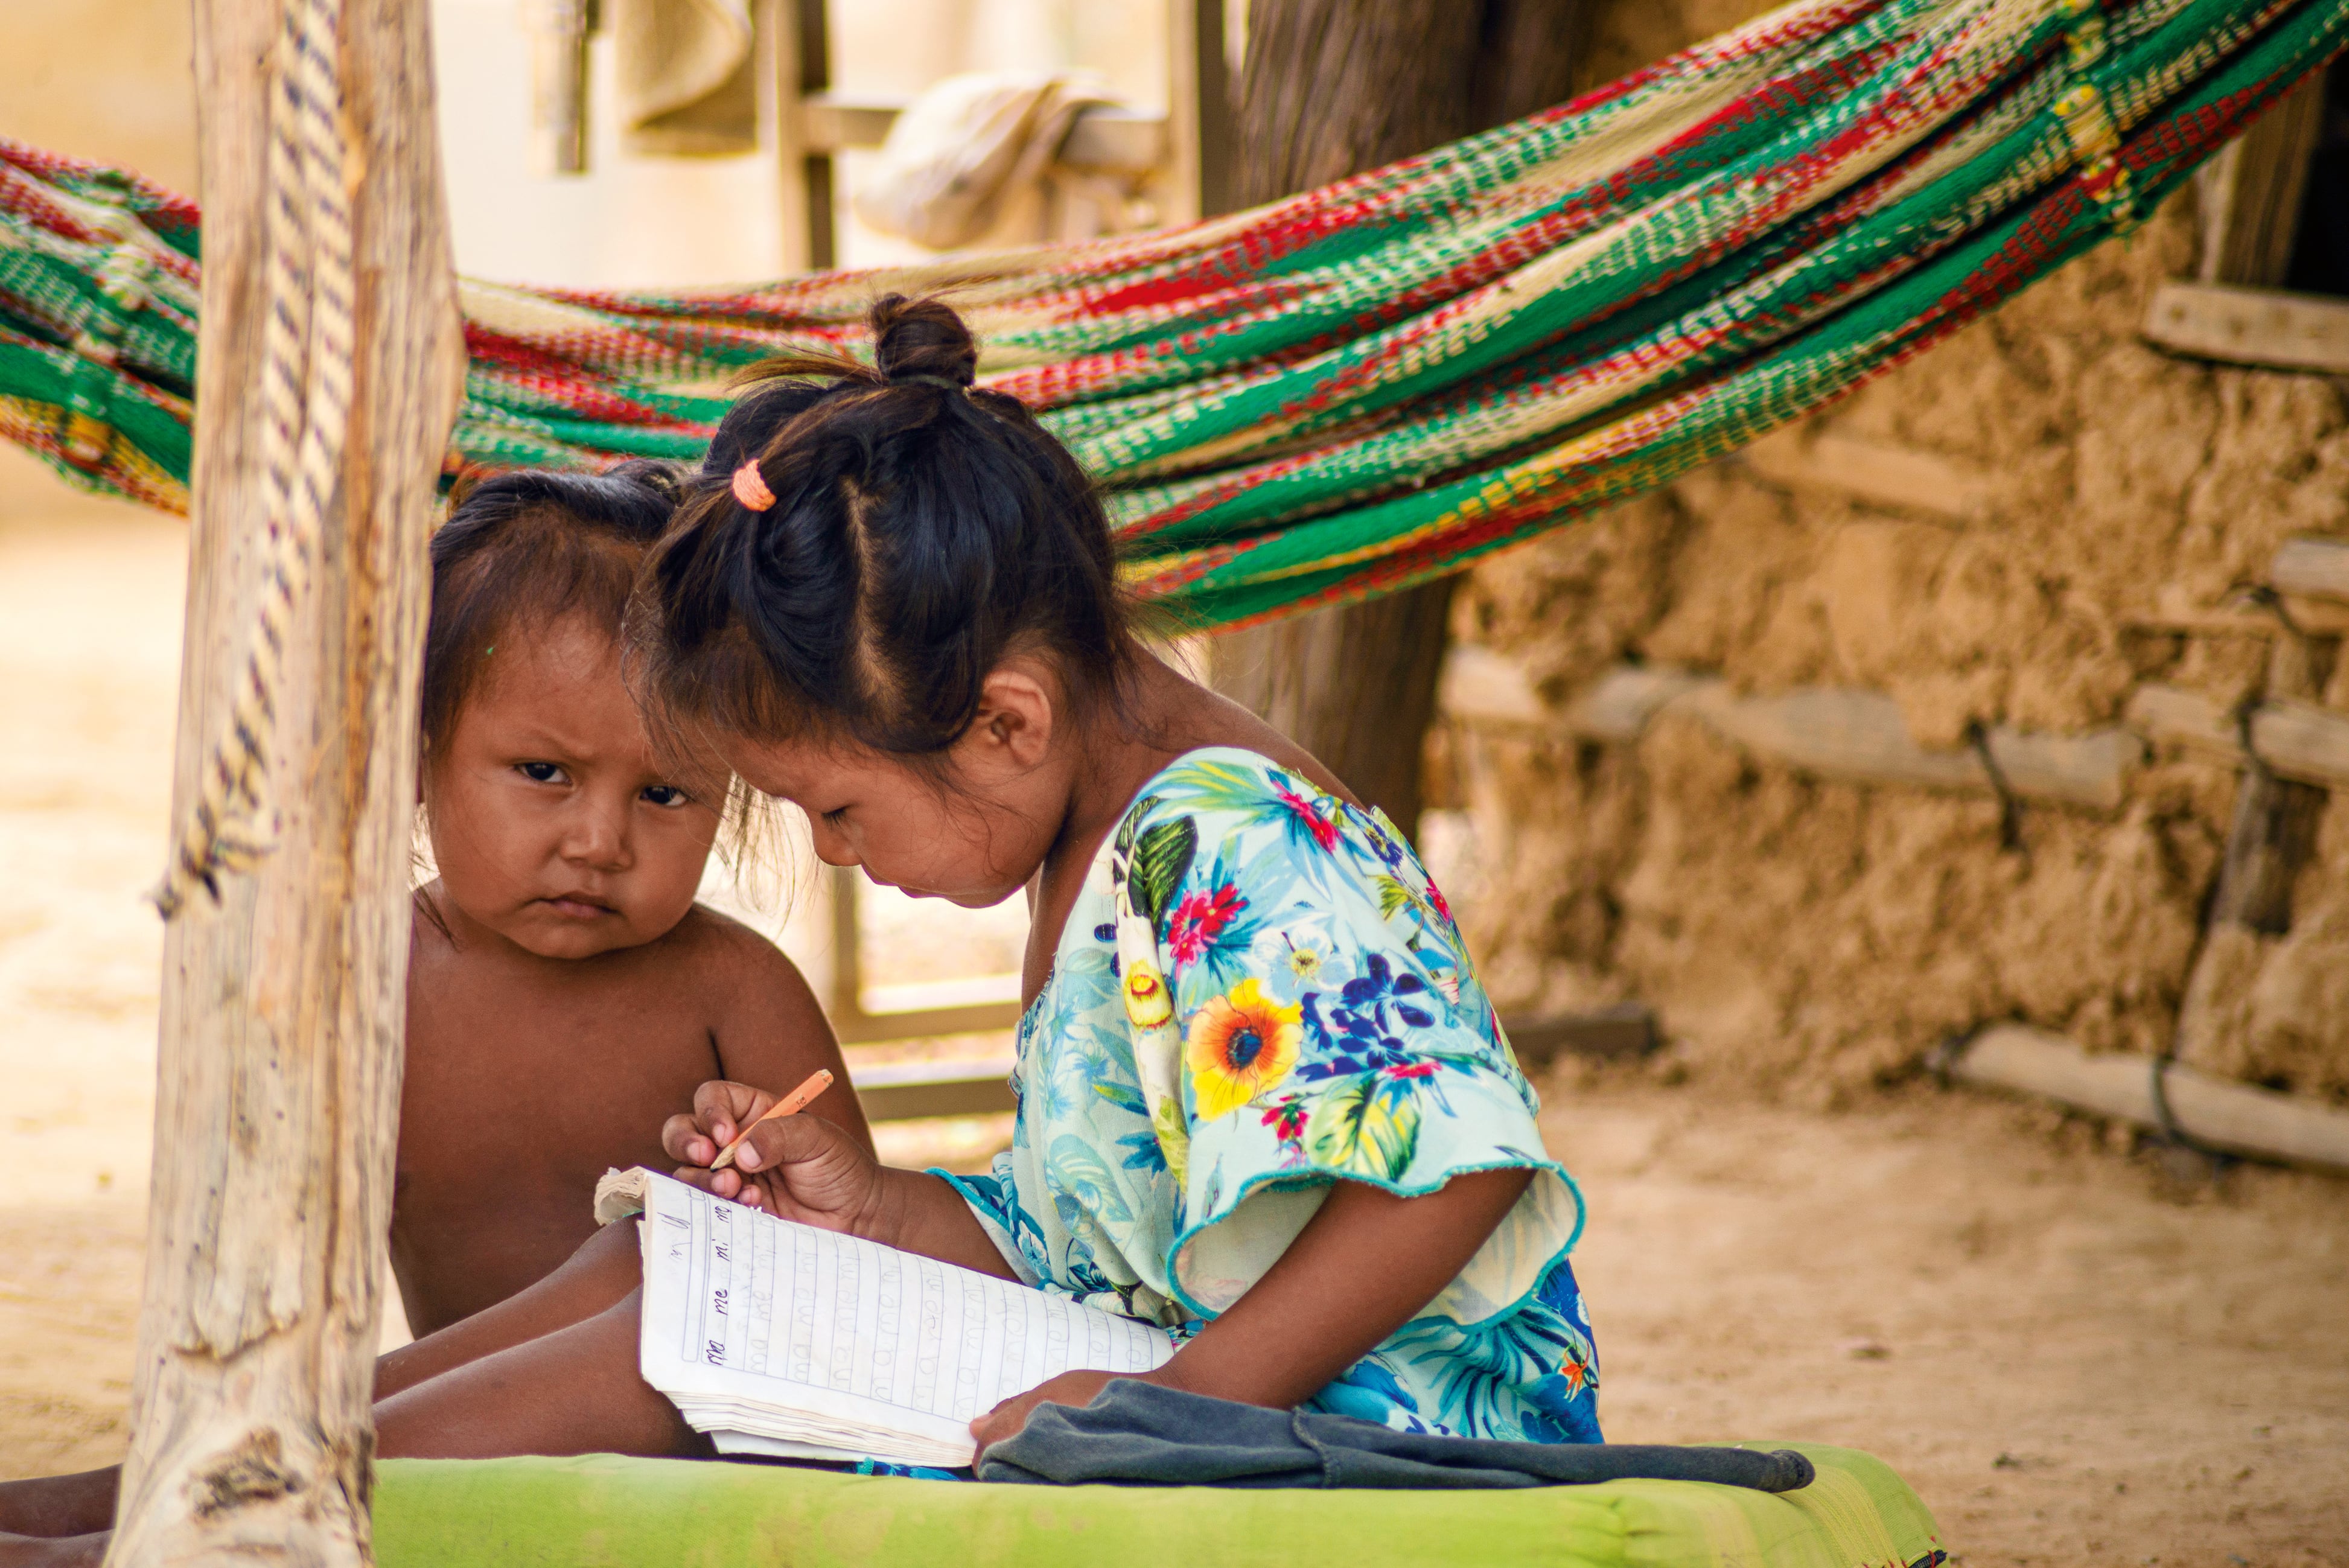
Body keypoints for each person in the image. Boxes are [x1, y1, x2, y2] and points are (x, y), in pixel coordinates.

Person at [0, 295, 1595, 1563]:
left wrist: (1168, 1406)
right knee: (676, 1263)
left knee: (677, 1357)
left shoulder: (1230, 836)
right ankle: (164, 1487)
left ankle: (183, 1522)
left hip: (1377, 1442)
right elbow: (1112, 1230)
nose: (831, 855)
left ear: (1004, 721)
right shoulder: (1106, 832)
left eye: (835, 807)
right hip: (1216, 1395)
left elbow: (1454, 1170)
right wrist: (880, 1206)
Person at [0, 464, 867, 1563]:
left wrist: (761, 1190)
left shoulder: (736, 989)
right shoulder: (368, 987)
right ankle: (111, 1507)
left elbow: (860, 1265)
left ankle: (123, 1523)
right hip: (438, 1456)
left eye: (664, 794)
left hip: (708, 1461)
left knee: (658, 1264)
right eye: (544, 771)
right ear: (416, 756)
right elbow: (270, 1277)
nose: (600, 839)